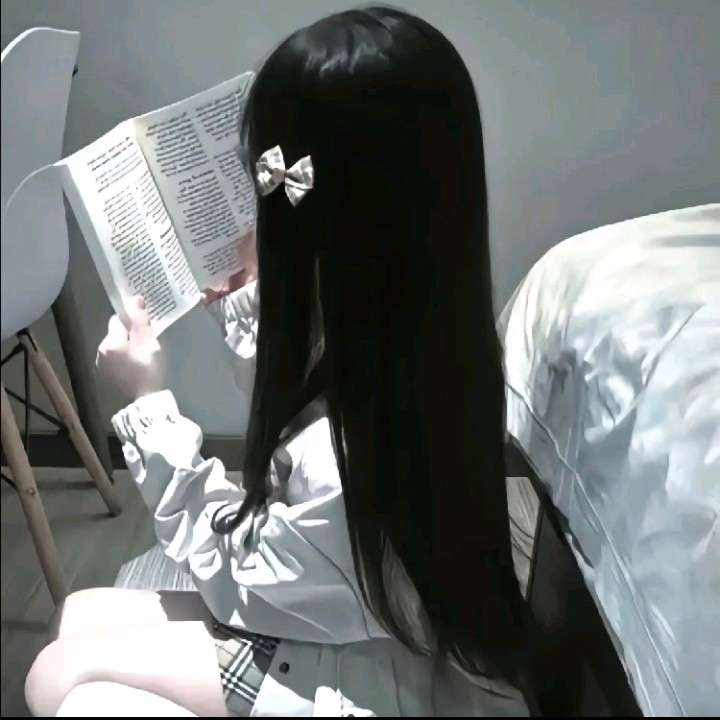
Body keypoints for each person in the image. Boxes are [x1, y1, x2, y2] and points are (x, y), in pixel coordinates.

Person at [25, 6, 534, 716]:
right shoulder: (420, 338)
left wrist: (147, 406)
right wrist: (254, 307)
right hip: (361, 620)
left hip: (367, 678)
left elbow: (237, 574)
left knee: (55, 676)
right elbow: (304, 414)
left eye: (265, 179)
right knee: (80, 615)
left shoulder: (354, 453)